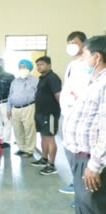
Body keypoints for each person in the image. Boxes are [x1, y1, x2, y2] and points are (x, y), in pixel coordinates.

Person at [63, 35, 106, 214]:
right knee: (83, 202)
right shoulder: (94, 81)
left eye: (85, 54)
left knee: (91, 206)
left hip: (89, 158)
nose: (82, 58)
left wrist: (95, 165)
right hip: (79, 154)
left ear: (97, 57)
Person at [59, 31, 88, 202]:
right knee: (70, 152)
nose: (71, 45)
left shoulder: (89, 64)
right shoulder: (72, 65)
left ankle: (83, 193)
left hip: (82, 117)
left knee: (82, 155)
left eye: (75, 42)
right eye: (69, 42)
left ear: (83, 44)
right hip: (68, 115)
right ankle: (76, 184)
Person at [31, 56, 61, 175]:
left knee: (50, 138)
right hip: (40, 113)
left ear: (49, 65)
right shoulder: (42, 78)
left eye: (42, 64)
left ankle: (52, 165)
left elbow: (58, 95)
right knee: (43, 137)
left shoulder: (53, 78)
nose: (39, 67)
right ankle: (44, 159)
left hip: (50, 114)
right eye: (38, 65)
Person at [7, 59, 38, 158]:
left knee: (29, 129)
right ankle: (21, 148)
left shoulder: (35, 81)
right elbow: (10, 96)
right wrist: (8, 109)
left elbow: (39, 96)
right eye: (21, 67)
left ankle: (29, 150)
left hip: (28, 108)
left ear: (29, 69)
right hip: (15, 109)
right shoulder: (14, 81)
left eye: (25, 67)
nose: (22, 69)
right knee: (17, 129)